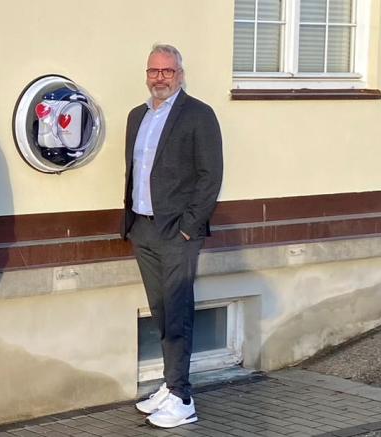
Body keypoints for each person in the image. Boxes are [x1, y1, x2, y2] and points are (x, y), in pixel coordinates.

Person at [123, 43, 223, 429]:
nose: (159, 78)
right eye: (154, 71)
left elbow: (209, 176)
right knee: (161, 310)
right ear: (147, 74)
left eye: (167, 71)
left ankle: (182, 399)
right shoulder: (138, 116)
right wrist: (132, 223)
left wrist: (188, 228)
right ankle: (170, 383)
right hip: (143, 228)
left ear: (180, 74)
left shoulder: (199, 115)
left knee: (178, 312)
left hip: (176, 232)